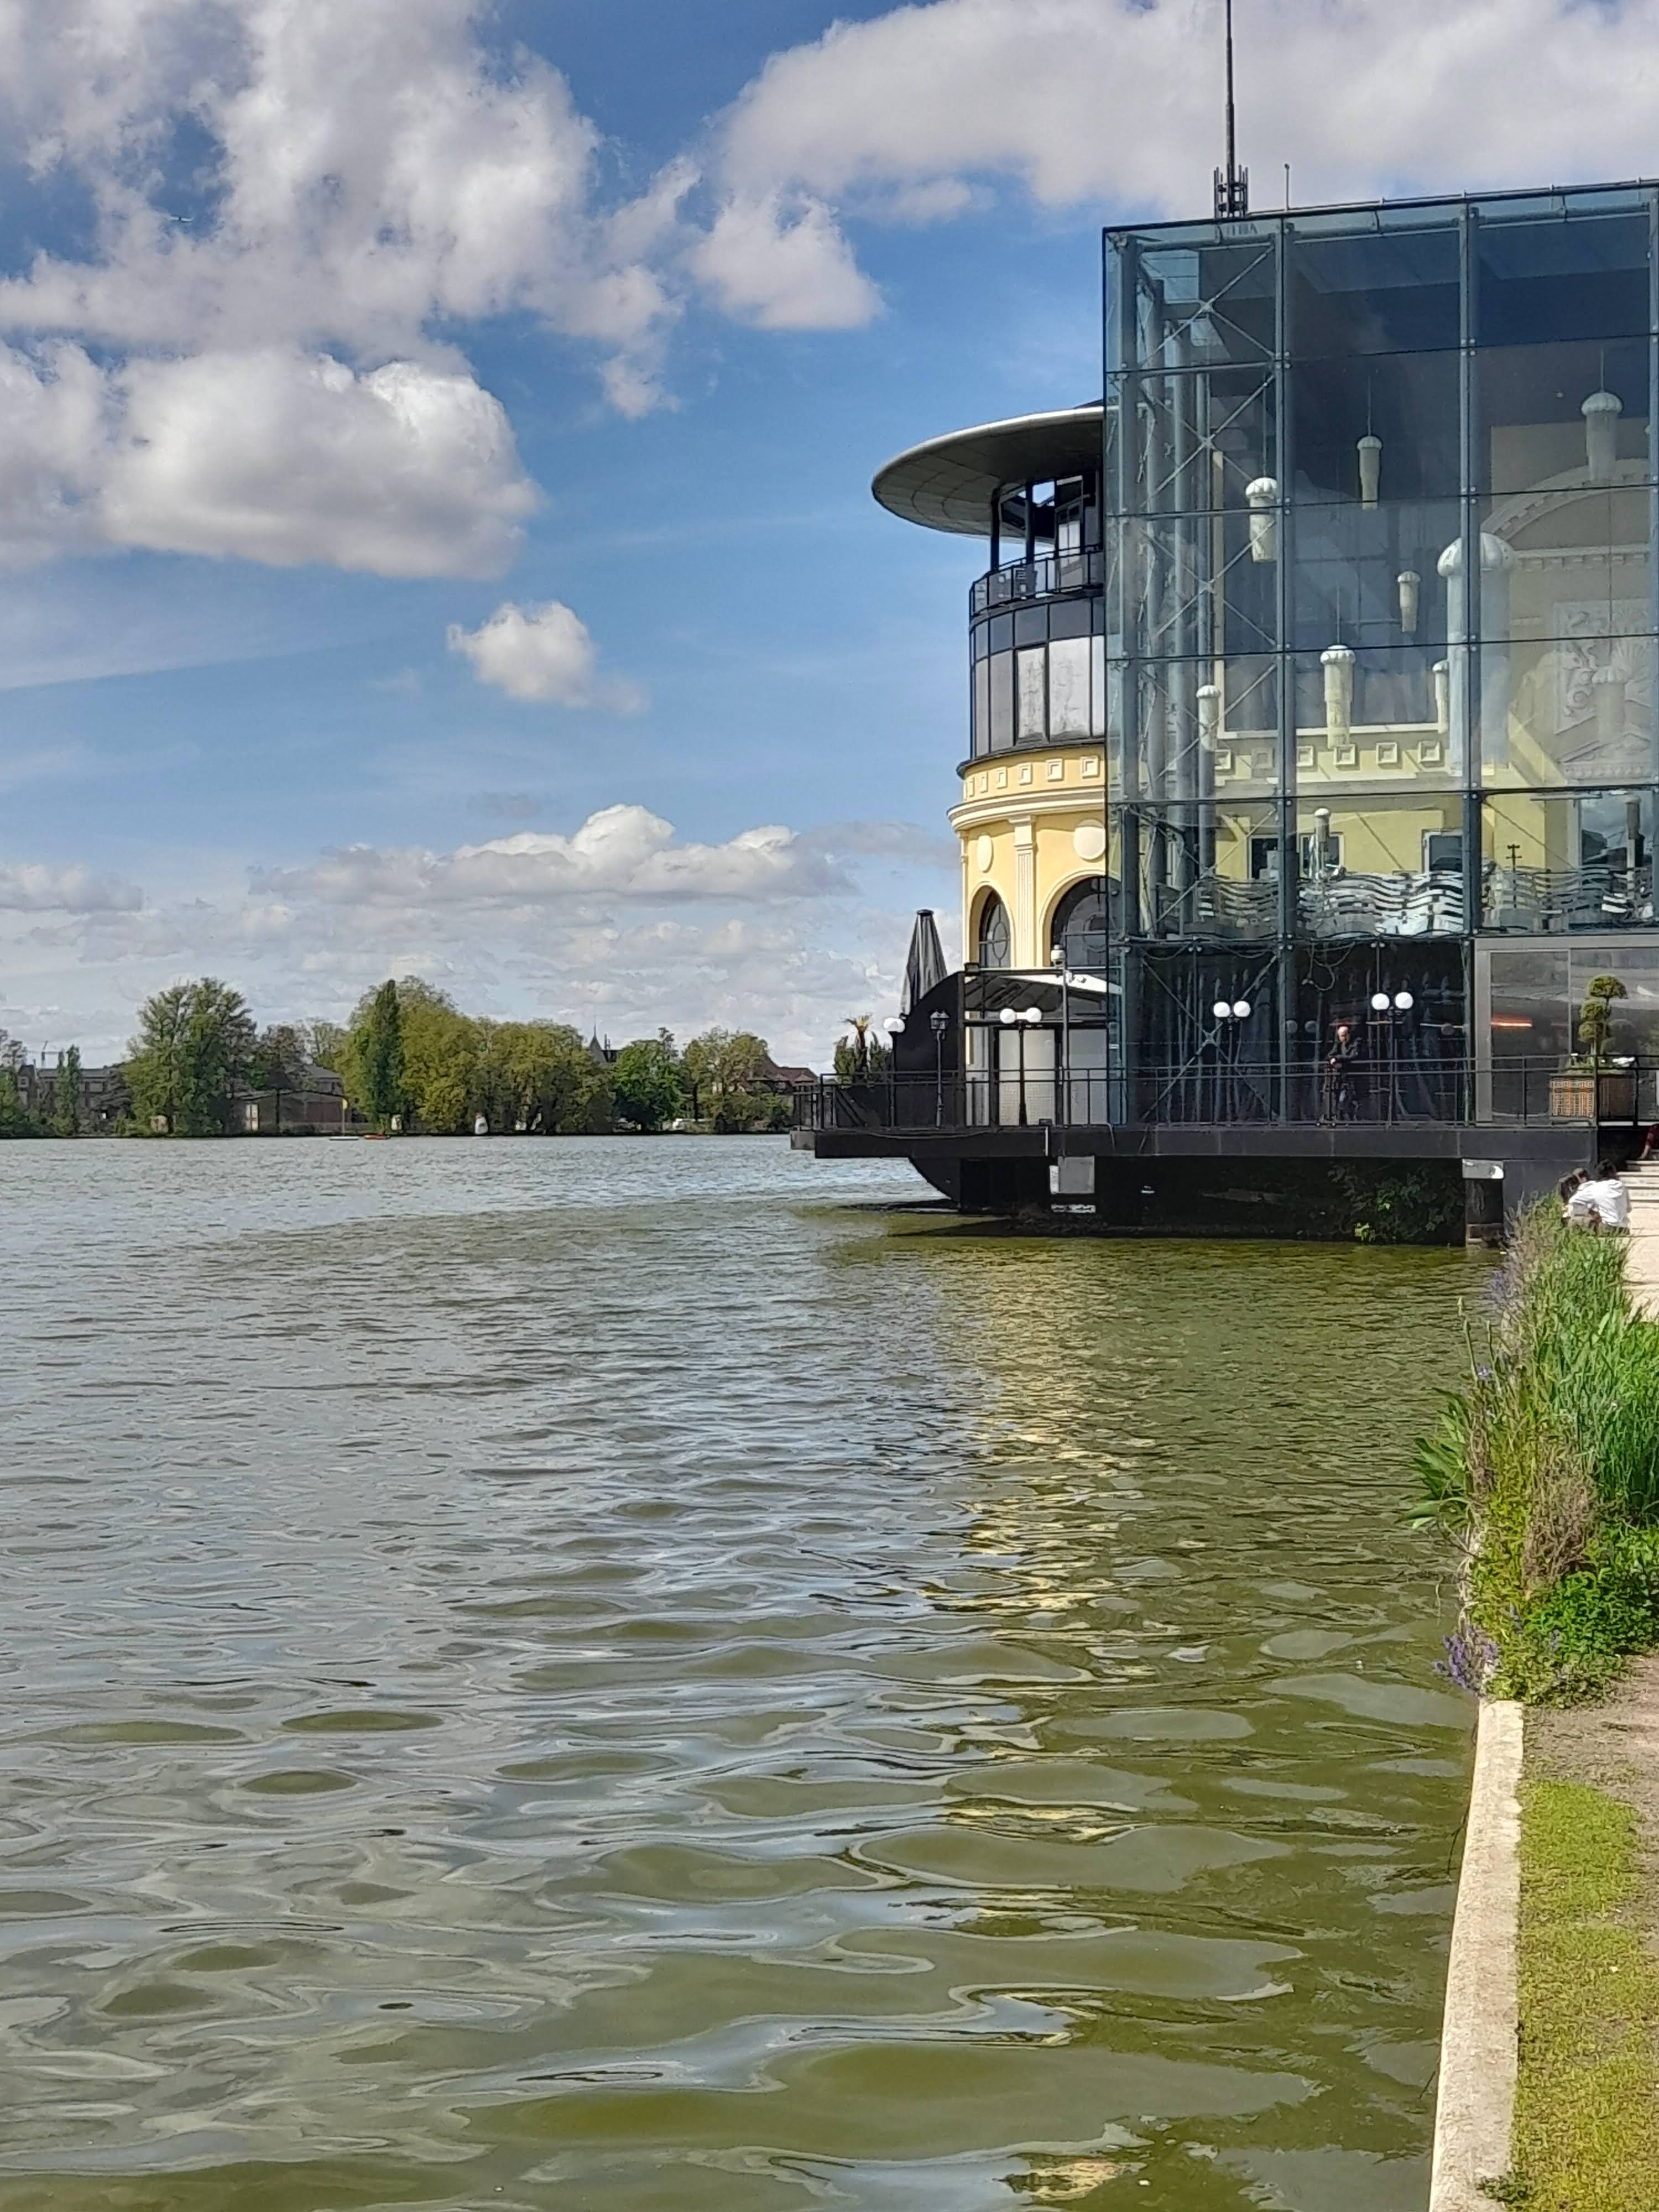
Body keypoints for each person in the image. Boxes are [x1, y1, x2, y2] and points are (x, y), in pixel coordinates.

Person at [1566, 1160, 1630, 1233]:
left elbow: (1573, 1200)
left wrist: (1590, 1212)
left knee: (1574, 1221)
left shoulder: (1596, 1187)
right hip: (1624, 1230)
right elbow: (1629, 1209)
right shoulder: (1622, 1187)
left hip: (1607, 1229)